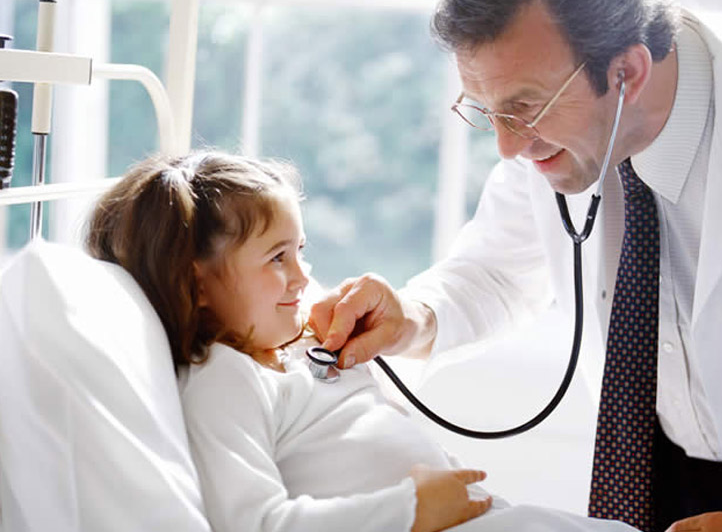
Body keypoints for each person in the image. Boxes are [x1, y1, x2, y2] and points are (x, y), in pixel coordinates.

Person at [309, 0, 722, 532]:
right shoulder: (557, 131)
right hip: (657, 467)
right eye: (487, 111)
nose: (508, 146)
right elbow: (496, 270)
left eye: (525, 108)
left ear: (627, 72)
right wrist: (413, 318)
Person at [85, 150, 636, 532]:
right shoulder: (224, 380)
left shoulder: (303, 349)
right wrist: (409, 511)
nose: (302, 277)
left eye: (301, 251)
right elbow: (256, 524)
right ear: (197, 283)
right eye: (277, 258)